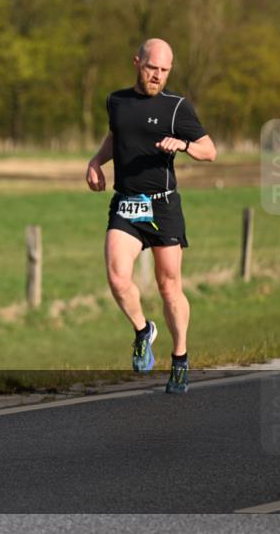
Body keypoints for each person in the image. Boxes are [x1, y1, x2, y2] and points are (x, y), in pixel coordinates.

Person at [86, 38, 216, 394]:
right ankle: (143, 330)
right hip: (127, 203)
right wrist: (97, 161)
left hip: (163, 205)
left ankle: (180, 358)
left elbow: (210, 151)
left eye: (163, 70)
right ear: (136, 62)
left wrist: (185, 145)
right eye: (151, 68)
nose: (157, 75)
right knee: (117, 277)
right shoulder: (116, 100)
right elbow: (117, 135)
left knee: (169, 286)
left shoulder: (177, 108)